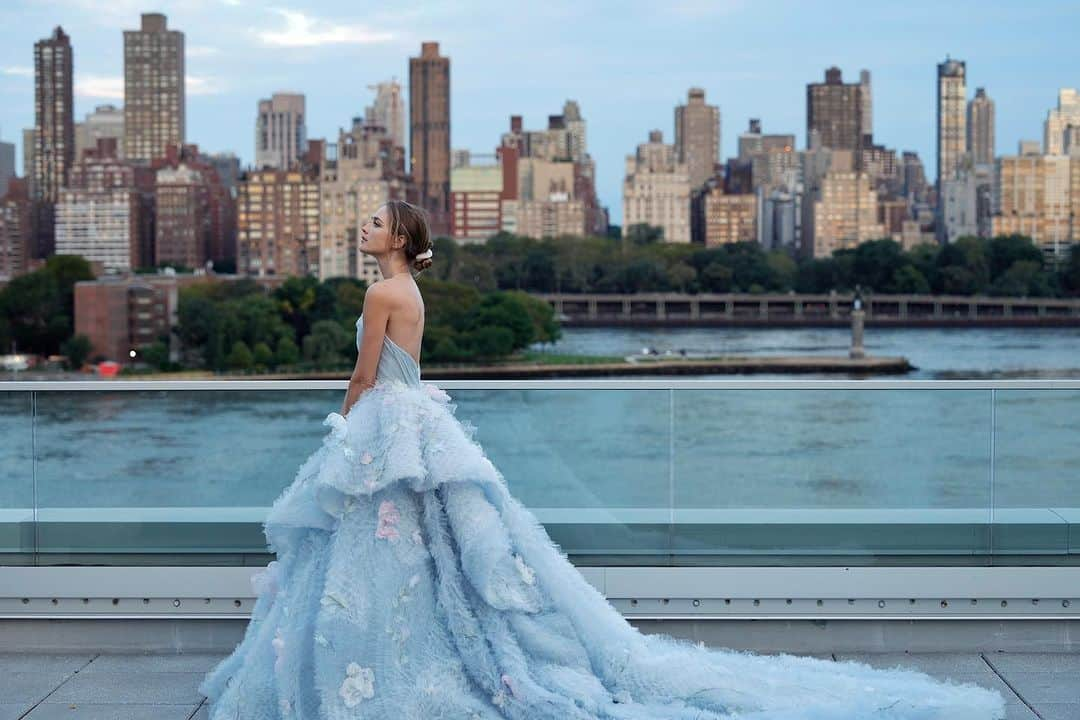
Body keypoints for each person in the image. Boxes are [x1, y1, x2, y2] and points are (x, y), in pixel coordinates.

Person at [198, 200, 1004, 719]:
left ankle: (379, 663)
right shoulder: (414, 293)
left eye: (375, 221)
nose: (363, 226)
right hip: (420, 419)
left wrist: (342, 428)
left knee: (380, 550)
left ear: (402, 240)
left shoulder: (380, 293)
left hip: (386, 418)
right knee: (431, 547)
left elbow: (367, 374)